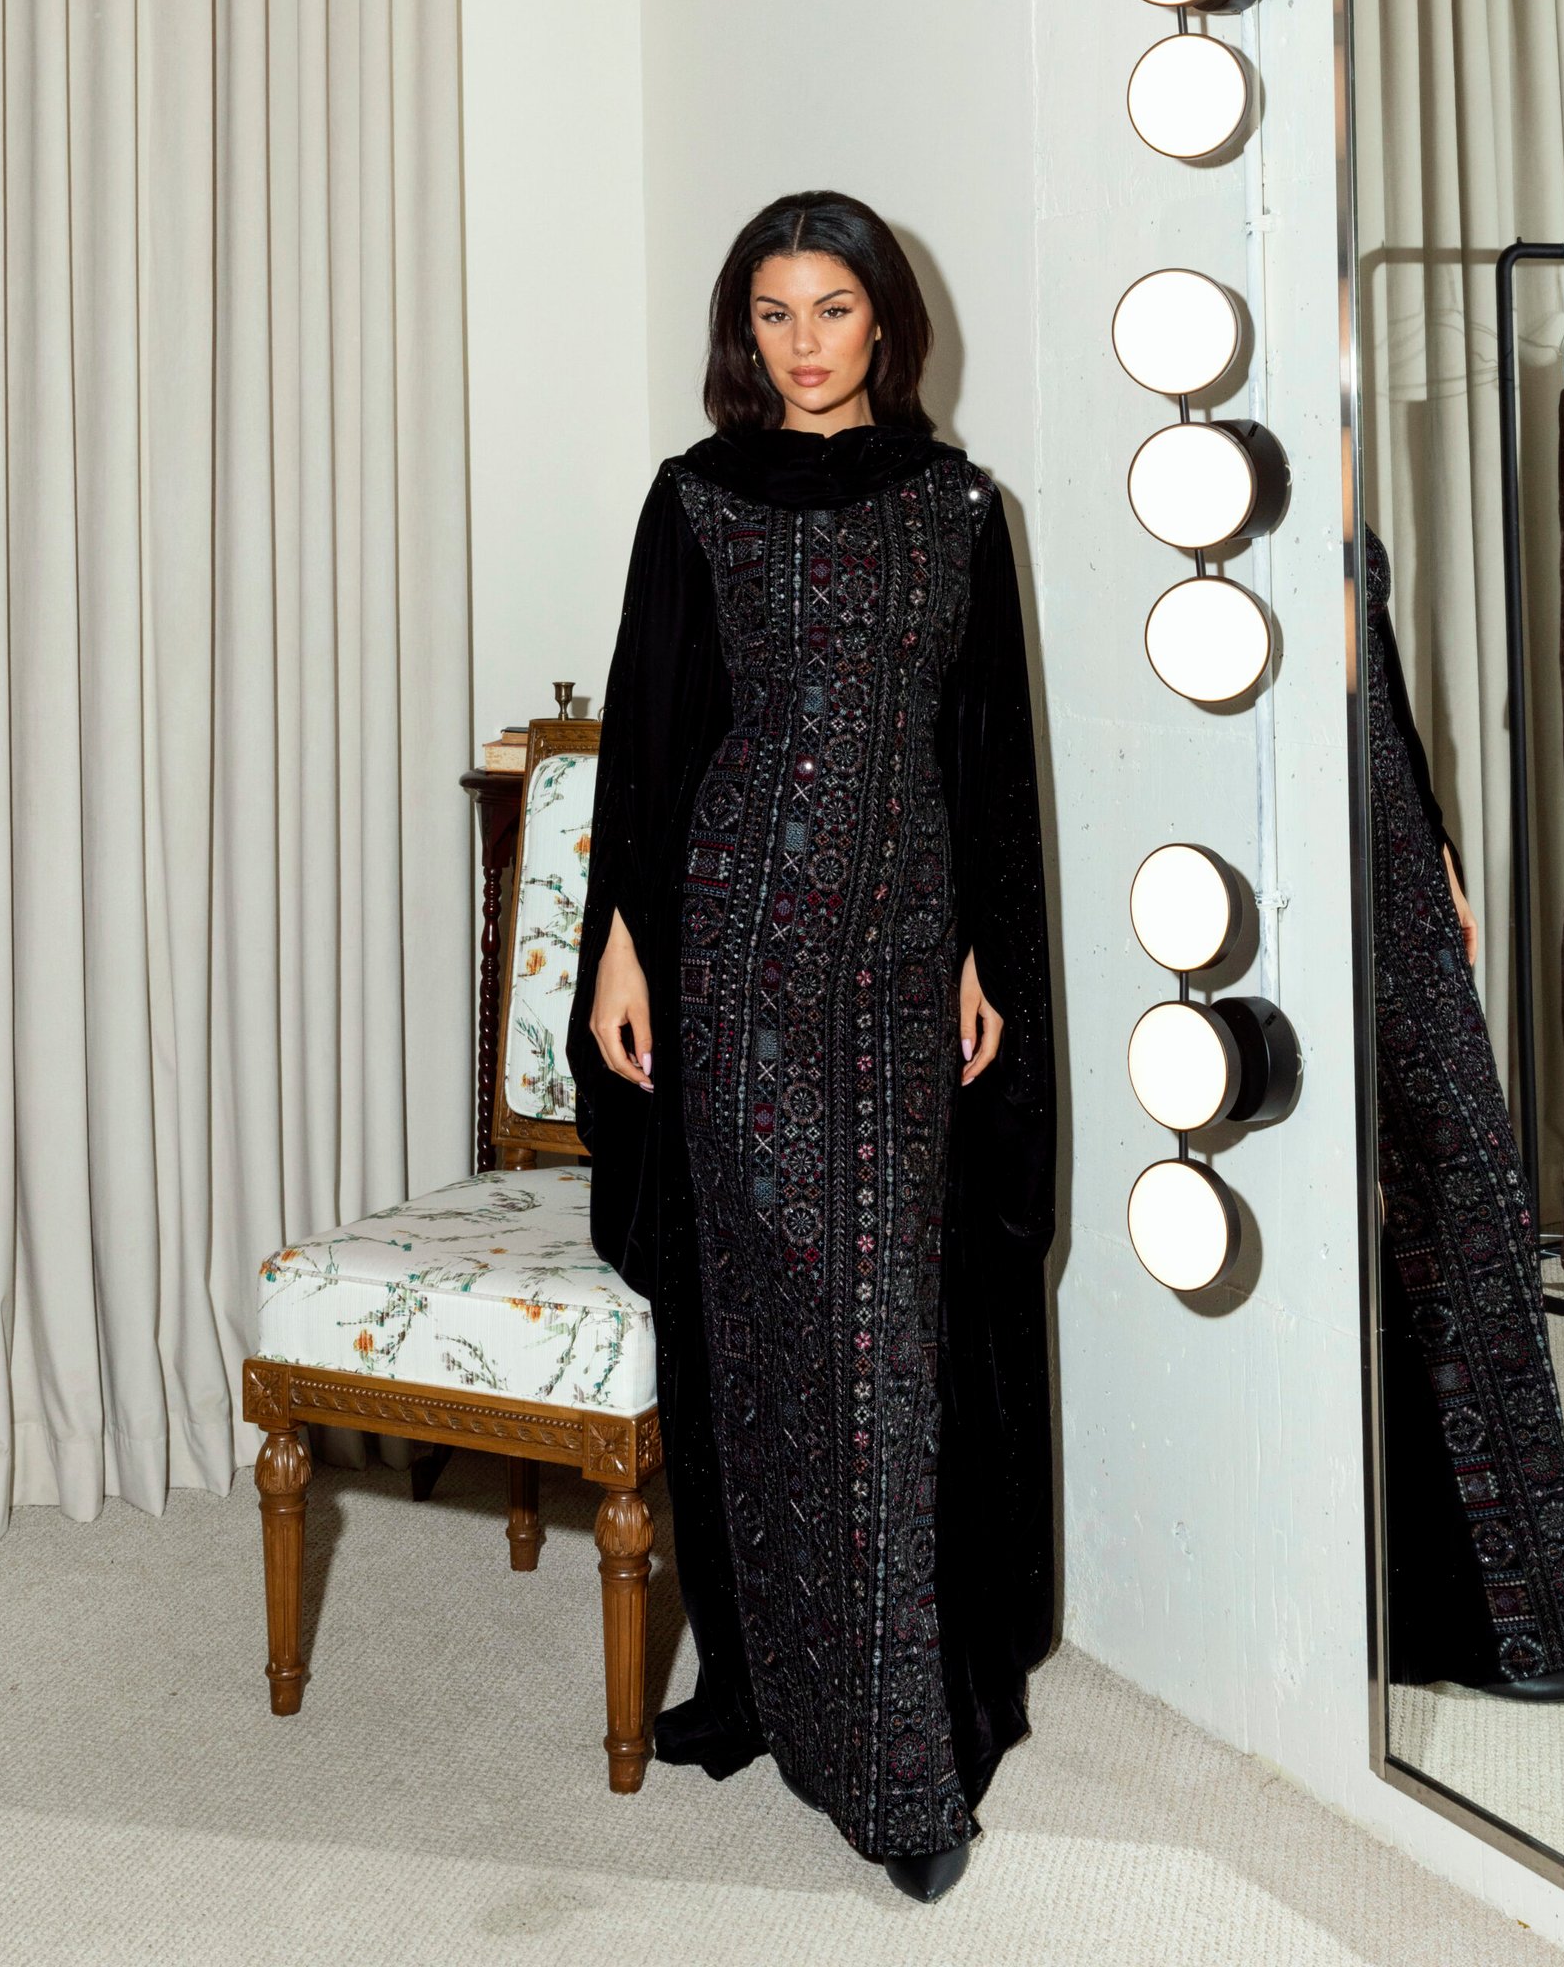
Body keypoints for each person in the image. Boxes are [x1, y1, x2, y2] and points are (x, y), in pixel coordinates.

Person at [565, 190, 1057, 1901]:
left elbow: (987, 754)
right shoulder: (694, 498)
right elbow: (649, 735)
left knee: (884, 1336)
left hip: (904, 953)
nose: (803, 344)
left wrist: (985, 945)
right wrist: (622, 943)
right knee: (769, 1324)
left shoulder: (962, 508)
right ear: (744, 333)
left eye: (831, 309)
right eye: (772, 314)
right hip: (733, 954)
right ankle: (791, 1697)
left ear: (885, 323)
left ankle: (897, 1744)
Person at [1366, 524, 1564, 1698]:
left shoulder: (1325, 463)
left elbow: (1381, 697)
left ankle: (1496, 1625)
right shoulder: (1206, 481)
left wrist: (1438, 848)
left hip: (1392, 858)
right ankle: (1461, 1623)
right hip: (1296, 866)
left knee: (1470, 1208)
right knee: (1418, 1217)